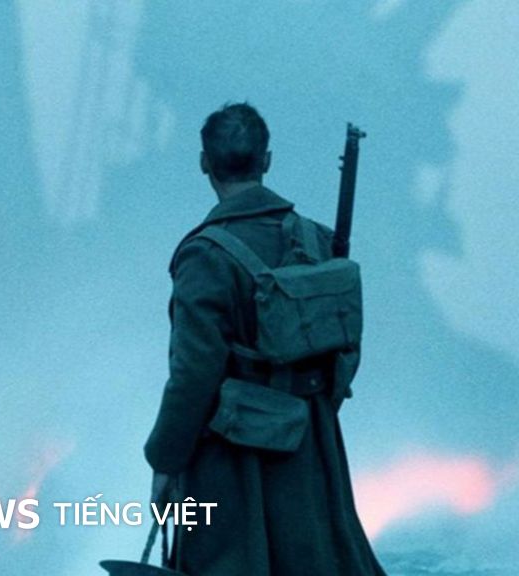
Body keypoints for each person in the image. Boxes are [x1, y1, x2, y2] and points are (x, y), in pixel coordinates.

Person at [144, 102, 386, 576]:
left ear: (204, 163)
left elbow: (193, 374)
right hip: (312, 448)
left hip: (234, 459)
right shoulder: (317, 240)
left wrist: (165, 460)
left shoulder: (204, 256)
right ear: (266, 160)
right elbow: (346, 347)